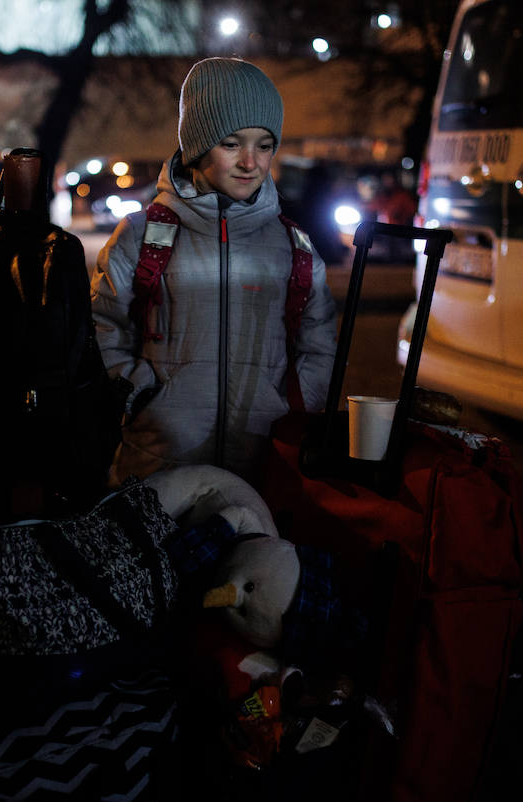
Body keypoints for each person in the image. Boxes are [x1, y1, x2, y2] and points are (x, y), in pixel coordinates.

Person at [91, 57, 338, 486]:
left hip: (264, 471)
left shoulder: (291, 245)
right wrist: (140, 393)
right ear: (197, 144)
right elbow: (101, 327)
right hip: (158, 466)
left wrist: (291, 408)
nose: (250, 162)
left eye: (264, 145)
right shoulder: (141, 236)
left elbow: (320, 343)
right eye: (231, 143)